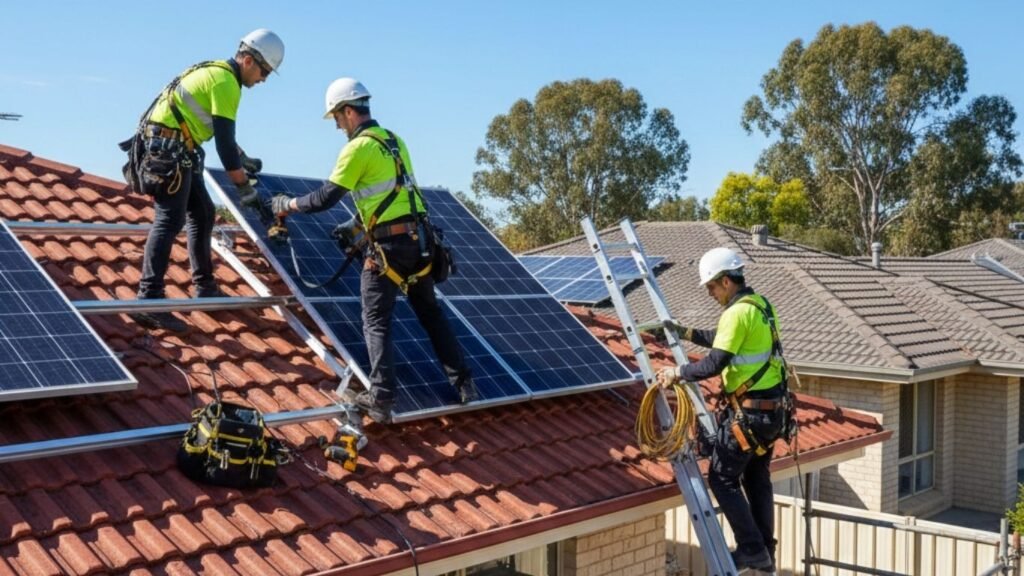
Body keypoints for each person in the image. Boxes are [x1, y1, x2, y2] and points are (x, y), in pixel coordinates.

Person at [269, 77, 478, 423]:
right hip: (421, 242)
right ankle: (464, 383)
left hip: (390, 249)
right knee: (431, 313)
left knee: (375, 318)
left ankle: (381, 395)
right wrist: (356, 228)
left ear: (349, 112)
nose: (337, 126)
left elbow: (325, 198)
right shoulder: (394, 141)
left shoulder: (357, 148)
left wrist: (287, 204)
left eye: (337, 118)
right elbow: (392, 195)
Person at [128, 29, 284, 333]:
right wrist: (243, 187)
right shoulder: (227, 82)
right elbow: (224, 145)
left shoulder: (215, 71)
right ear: (248, 60)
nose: (263, 79)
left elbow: (215, 127)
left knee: (202, 214)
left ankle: (205, 287)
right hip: (168, 150)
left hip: (175, 147)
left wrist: (244, 157)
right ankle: (148, 299)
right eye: (264, 71)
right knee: (169, 220)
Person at [656, 247, 787, 572]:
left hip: (750, 414)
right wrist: (685, 332)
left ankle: (751, 548)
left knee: (722, 478)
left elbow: (716, 362)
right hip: (771, 414)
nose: (711, 293)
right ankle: (764, 550)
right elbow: (723, 339)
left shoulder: (736, 313)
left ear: (726, 281)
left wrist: (677, 374)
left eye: (712, 287)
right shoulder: (761, 306)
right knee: (757, 478)